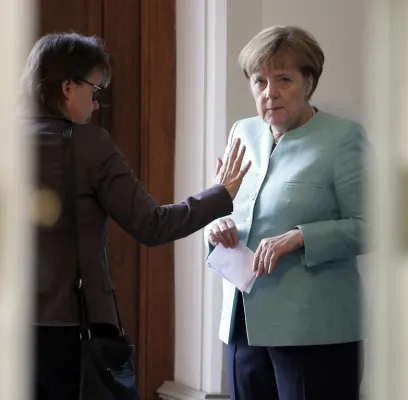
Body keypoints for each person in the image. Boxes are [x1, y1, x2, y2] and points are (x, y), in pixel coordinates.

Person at [22, 32, 251, 400]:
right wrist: (220, 195)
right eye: (95, 92)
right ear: (67, 87)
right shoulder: (90, 144)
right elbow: (152, 224)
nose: (96, 105)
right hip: (73, 332)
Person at [206, 25, 371, 400]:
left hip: (314, 331)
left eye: (284, 79)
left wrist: (299, 237)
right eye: (259, 81)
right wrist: (216, 226)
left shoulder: (344, 138)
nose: (270, 92)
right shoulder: (242, 133)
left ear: (308, 82)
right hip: (242, 328)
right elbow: (228, 211)